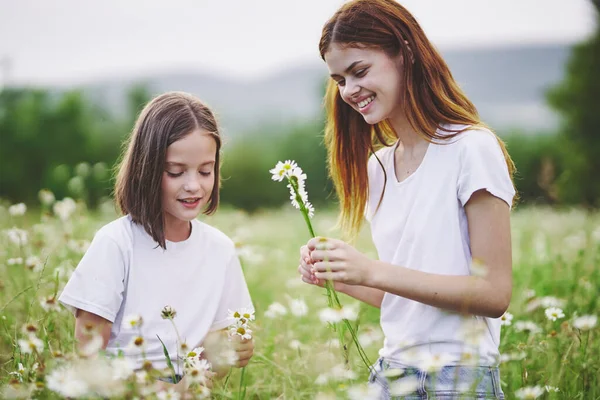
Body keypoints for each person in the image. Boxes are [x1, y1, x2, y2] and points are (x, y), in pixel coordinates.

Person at [298, 0, 515, 398]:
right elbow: (408, 301)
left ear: (405, 54)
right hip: (391, 373)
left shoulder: (471, 149)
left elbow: (494, 294)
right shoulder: (377, 169)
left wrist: (371, 270)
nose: (349, 90)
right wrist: (344, 277)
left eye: (359, 71)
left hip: (458, 376)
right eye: (339, 79)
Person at [58, 91, 254, 394]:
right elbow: (90, 355)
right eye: (175, 172)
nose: (194, 185)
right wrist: (163, 392)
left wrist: (232, 351)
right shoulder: (116, 244)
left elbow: (219, 347)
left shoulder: (221, 250)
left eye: (205, 170)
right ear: (146, 169)